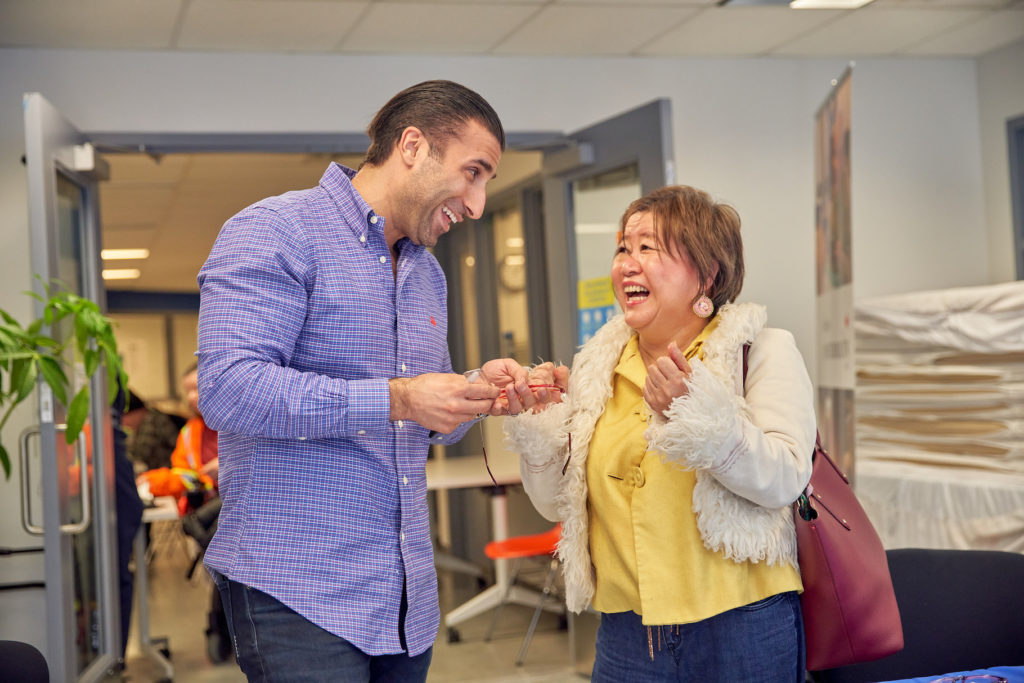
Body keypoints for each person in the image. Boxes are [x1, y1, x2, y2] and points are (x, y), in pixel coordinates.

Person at [195, 80, 564, 682]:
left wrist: (475, 394)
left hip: (404, 598)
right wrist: (398, 398)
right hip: (298, 593)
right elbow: (230, 389)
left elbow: (420, 426)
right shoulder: (276, 232)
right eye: (474, 172)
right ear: (413, 145)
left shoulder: (426, 273)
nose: (476, 205)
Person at [504, 185, 817, 681]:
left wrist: (698, 415)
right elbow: (554, 507)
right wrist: (545, 428)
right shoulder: (595, 369)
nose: (627, 263)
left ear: (707, 273)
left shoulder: (760, 352)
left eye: (648, 248)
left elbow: (785, 480)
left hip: (742, 627)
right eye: (623, 248)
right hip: (629, 636)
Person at [121, 388, 183, 471]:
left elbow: (140, 454)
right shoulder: (138, 426)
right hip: (153, 477)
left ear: (135, 411)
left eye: (124, 417)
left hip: (168, 475)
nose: (123, 423)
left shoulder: (156, 420)